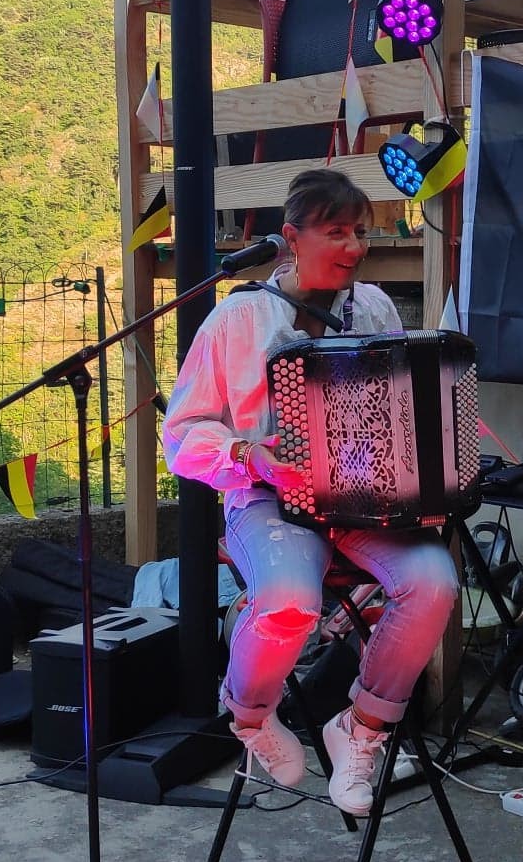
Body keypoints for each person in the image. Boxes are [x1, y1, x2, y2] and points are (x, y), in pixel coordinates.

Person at [161, 168, 460, 814]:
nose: (353, 247)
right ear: (291, 238)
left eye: (360, 232)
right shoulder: (238, 319)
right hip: (268, 501)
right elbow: (181, 436)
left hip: (362, 500)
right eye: (336, 233)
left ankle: (362, 728)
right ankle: (248, 713)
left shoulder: (374, 308)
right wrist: (248, 452)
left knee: (435, 582)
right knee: (289, 599)